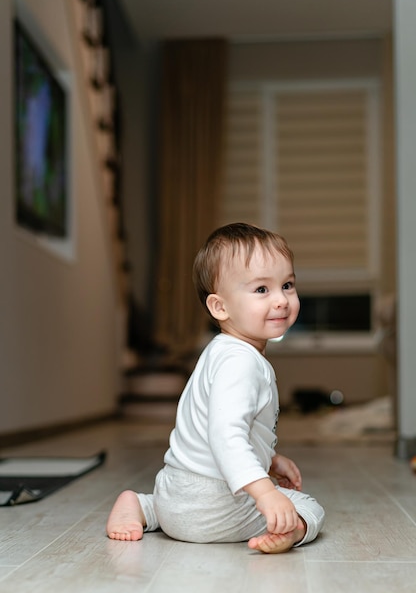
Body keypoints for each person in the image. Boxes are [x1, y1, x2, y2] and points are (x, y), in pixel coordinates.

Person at [107, 222, 325, 553]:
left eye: (288, 285)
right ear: (219, 307)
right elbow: (225, 436)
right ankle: (290, 532)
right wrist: (266, 492)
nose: (281, 300)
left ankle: (141, 506)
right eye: (262, 290)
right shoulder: (242, 362)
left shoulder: (221, 352)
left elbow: (223, 432)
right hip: (214, 512)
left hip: (175, 497)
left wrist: (269, 458)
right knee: (309, 506)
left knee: (170, 503)